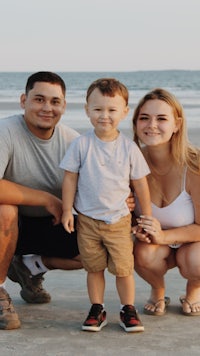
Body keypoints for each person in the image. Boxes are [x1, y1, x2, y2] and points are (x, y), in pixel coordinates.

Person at [60, 78, 152, 333]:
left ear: (124, 112)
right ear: (87, 109)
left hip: (119, 220)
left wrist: (146, 216)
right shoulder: (81, 144)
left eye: (112, 110)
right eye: (98, 109)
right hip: (87, 220)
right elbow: (70, 178)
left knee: (123, 269)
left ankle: (128, 309)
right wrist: (68, 210)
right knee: (94, 267)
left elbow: (141, 184)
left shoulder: (129, 148)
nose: (104, 116)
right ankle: (97, 308)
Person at [0, 71, 83, 330]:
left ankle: (28, 266)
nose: (47, 108)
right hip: (9, 225)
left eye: (55, 101)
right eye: (39, 99)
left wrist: (124, 198)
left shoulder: (74, 141)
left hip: (50, 224)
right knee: (6, 210)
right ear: (24, 100)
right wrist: (46, 198)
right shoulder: (6, 131)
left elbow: (97, 187)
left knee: (96, 250)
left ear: (64, 106)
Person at [132, 88, 200, 316]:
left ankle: (194, 289)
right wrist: (135, 230)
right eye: (144, 118)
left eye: (161, 118)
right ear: (135, 123)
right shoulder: (129, 162)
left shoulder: (194, 165)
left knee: (197, 260)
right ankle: (158, 289)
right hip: (153, 246)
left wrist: (164, 236)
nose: (152, 125)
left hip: (193, 242)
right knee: (141, 254)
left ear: (177, 124)